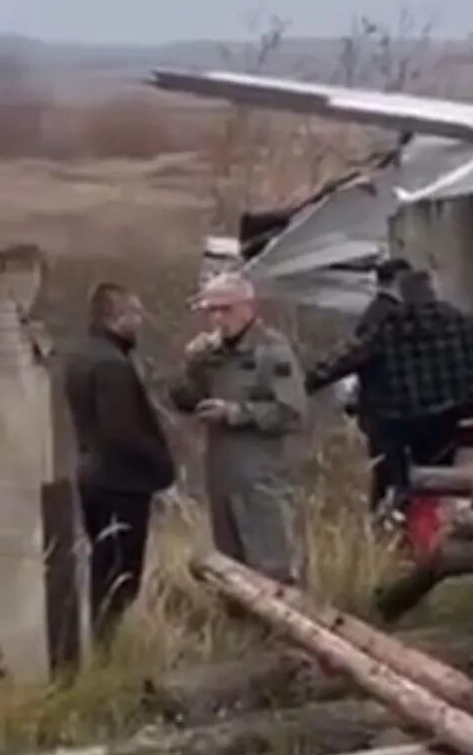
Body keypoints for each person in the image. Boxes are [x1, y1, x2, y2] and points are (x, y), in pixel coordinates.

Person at [306, 268, 473, 516]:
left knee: (400, 484)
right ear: (434, 291)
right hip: (459, 418)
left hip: (404, 422)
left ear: (402, 295)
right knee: (459, 481)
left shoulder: (387, 328)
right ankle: (458, 526)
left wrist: (305, 383)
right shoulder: (460, 320)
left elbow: (343, 360)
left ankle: (398, 530)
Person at [173, 273, 309, 585]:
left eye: (226, 309)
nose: (219, 318)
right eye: (212, 311)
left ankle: (285, 626)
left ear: (248, 307)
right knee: (230, 566)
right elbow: (185, 399)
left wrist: (236, 413)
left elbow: (291, 412)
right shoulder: (209, 353)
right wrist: (190, 367)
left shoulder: (272, 351)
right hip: (221, 470)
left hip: (261, 470)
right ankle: (239, 629)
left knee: (270, 560)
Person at [61, 282, 176, 639]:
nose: (140, 321)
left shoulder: (82, 355)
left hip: (93, 475)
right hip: (119, 484)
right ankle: (105, 650)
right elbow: (121, 432)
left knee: (103, 568)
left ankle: (99, 645)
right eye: (135, 313)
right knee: (119, 576)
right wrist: (161, 465)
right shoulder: (112, 365)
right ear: (116, 317)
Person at [351, 257, 411, 516]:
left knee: (385, 471)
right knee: (392, 474)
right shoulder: (388, 316)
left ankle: (381, 525)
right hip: (388, 409)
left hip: (376, 406)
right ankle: (384, 525)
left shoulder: (373, 313)